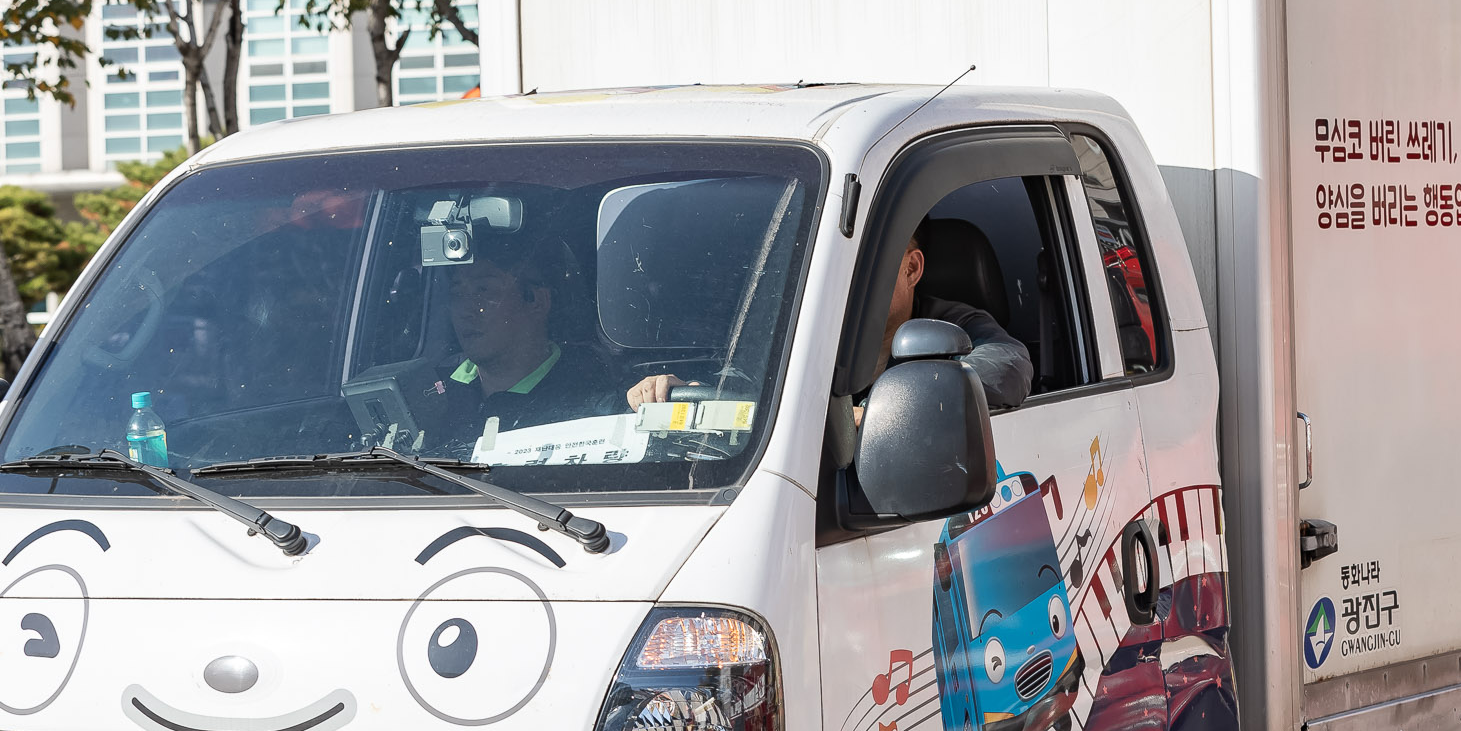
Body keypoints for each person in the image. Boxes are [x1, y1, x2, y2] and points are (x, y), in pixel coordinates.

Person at [625, 218, 1034, 414]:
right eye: (836, 258)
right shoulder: (803, 329)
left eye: (864, 259)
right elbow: (748, 391)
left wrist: (896, 408)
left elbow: (1007, 363)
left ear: (912, 269)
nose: (846, 274)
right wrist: (682, 394)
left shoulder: (955, 327)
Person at [423, 237, 619, 444]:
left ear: (537, 301)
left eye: (483, 290)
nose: (465, 311)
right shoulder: (428, 389)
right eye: (457, 294)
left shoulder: (594, 402)